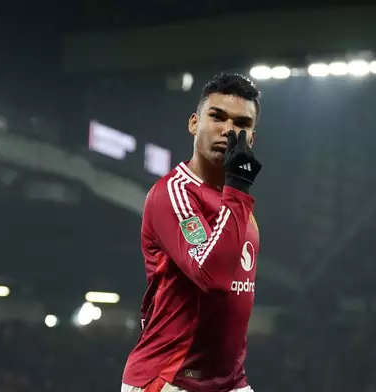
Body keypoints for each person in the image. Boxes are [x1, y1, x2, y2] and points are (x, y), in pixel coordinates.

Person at [122, 73, 263, 392]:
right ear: (193, 123)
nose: (228, 130)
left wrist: (236, 190)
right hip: (171, 379)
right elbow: (211, 276)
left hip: (230, 381)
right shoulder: (173, 193)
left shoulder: (238, 202)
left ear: (251, 139)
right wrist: (239, 187)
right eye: (217, 116)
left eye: (241, 123)